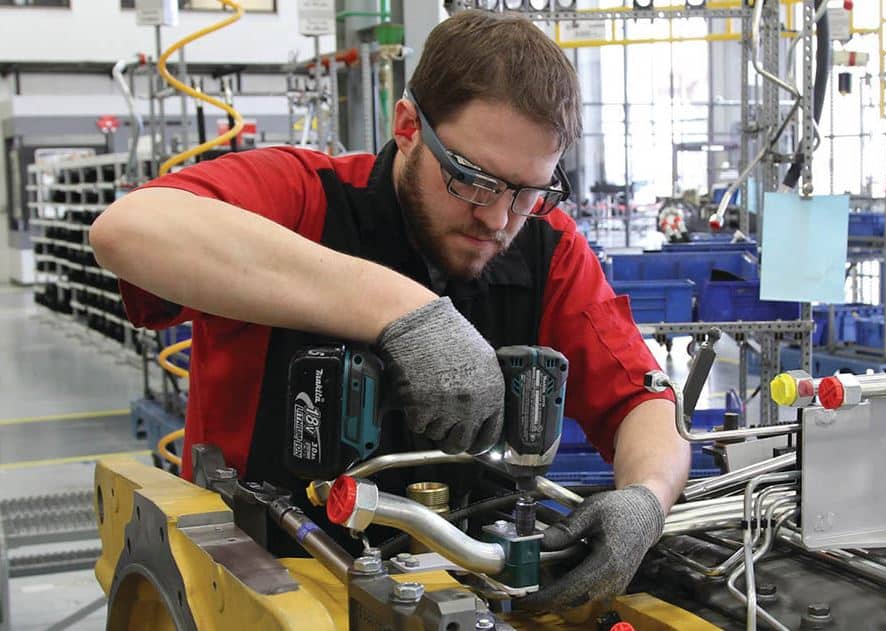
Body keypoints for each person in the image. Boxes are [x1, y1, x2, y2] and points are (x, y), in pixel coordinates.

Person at [90, 10, 690, 612]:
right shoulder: (304, 196)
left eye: (527, 190)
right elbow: (128, 230)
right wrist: (406, 311)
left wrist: (647, 497)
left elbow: (641, 399)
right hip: (259, 594)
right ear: (407, 126)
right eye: (473, 180)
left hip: (467, 599)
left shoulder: (546, 245)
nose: (499, 219)